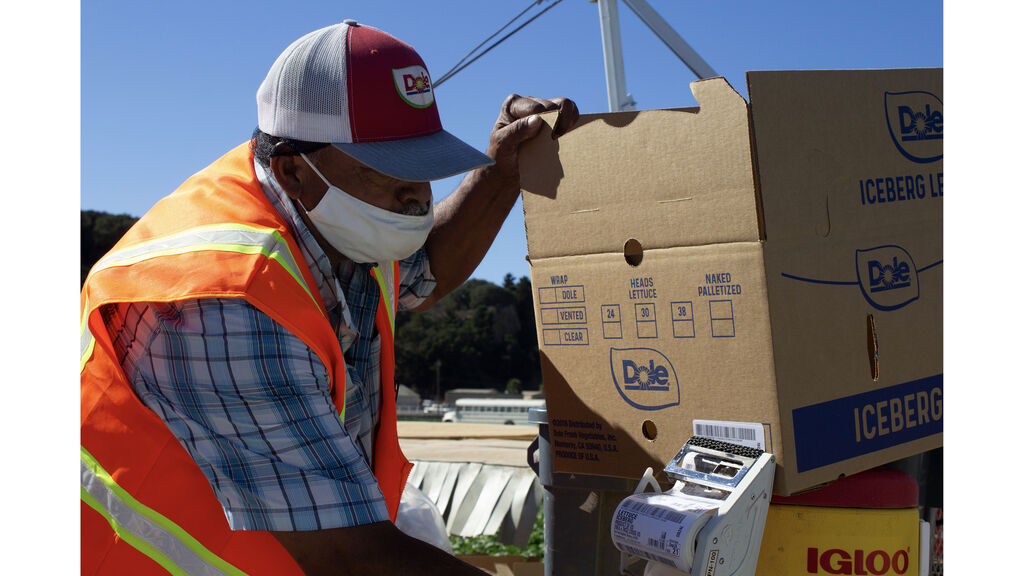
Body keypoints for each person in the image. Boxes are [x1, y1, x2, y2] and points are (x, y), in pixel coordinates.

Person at [80, 20, 578, 575]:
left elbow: (424, 273)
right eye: (392, 173)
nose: (415, 199)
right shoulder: (217, 300)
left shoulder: (338, 216)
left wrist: (501, 174)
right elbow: (351, 556)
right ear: (293, 169)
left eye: (426, 169)